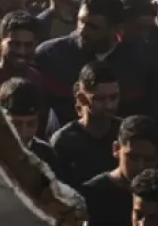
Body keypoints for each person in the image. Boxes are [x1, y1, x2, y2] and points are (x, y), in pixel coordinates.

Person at [80, 114, 158, 226]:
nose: (140, 166)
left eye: (149, 159)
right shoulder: (91, 194)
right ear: (116, 149)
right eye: (133, 157)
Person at [49, 59, 123, 187]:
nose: (109, 105)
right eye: (100, 99)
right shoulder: (63, 142)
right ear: (82, 99)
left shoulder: (124, 134)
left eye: (113, 97)